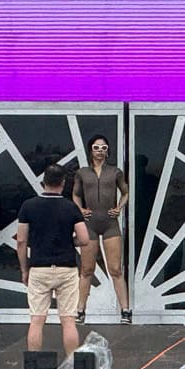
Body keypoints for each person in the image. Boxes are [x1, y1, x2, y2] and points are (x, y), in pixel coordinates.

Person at [17, 164, 89, 356]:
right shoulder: (71, 207)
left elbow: (22, 241)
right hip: (66, 267)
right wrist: (69, 240)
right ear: (63, 183)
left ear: (43, 183)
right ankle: (72, 368)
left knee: (37, 320)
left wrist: (25, 270)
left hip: (39, 268)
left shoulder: (28, 206)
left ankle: (34, 367)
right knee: (68, 321)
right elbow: (83, 239)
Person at [73, 135, 131, 324]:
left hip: (110, 224)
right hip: (90, 223)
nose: (100, 151)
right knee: (87, 269)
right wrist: (80, 209)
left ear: (108, 150)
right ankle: (80, 310)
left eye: (104, 147)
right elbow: (75, 194)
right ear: (91, 150)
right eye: (97, 147)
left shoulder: (115, 172)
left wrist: (119, 207)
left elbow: (126, 191)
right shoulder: (82, 173)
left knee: (115, 269)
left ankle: (125, 310)